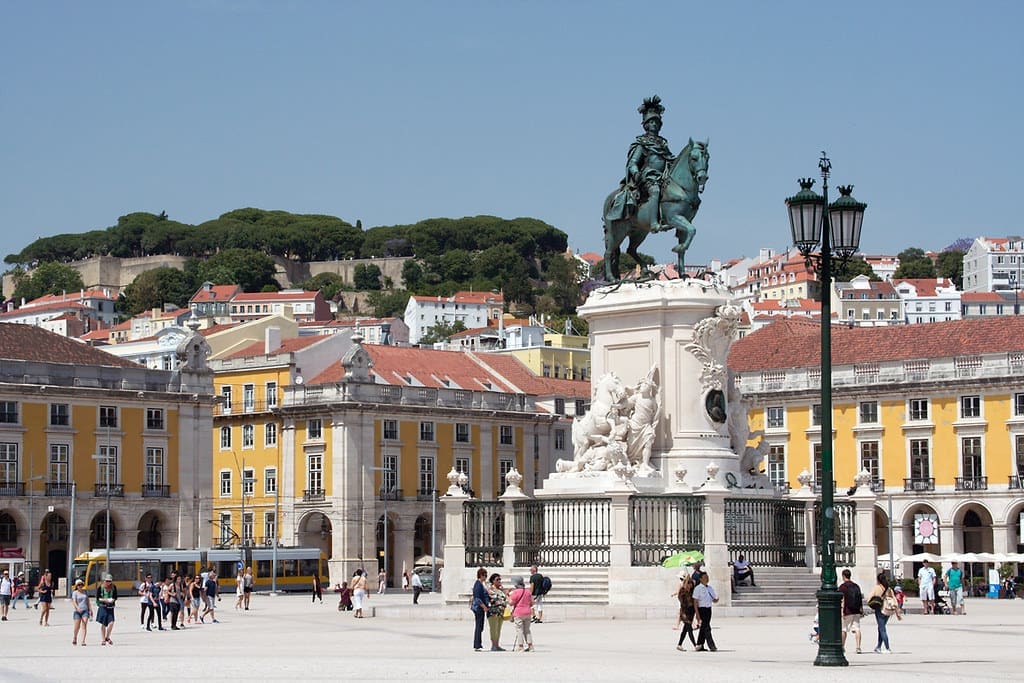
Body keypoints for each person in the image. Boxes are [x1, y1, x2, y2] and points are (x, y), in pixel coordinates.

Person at [868, 572, 899, 654]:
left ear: (878, 580)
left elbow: (869, 598)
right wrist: (897, 612)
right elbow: (894, 599)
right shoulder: (889, 589)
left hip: (880, 609)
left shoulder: (877, 588)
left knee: (882, 629)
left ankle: (887, 647)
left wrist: (871, 603)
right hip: (888, 610)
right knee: (881, 628)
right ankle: (878, 646)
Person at [838, 569, 864, 654]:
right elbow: (860, 598)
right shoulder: (856, 586)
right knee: (857, 628)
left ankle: (842, 646)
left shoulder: (842, 587)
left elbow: (843, 600)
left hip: (847, 610)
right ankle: (858, 647)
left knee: (844, 629)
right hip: (856, 610)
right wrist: (861, 609)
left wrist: (842, 611)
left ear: (843, 576)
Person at [692, 572, 719, 652]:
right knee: (707, 628)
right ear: (700, 579)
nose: (707, 579)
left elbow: (714, 598)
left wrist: (716, 600)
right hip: (702, 609)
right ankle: (711, 645)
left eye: (707, 577)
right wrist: (697, 614)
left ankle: (699, 644)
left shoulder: (710, 588)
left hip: (708, 609)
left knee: (704, 627)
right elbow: (695, 601)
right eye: (705, 577)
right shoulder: (698, 588)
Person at [508, 575, 534, 652]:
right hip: (527, 612)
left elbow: (511, 603)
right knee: (527, 630)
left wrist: (507, 595)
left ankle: (520, 646)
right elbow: (532, 603)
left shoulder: (515, 592)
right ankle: (530, 646)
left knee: (519, 630)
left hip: (518, 613)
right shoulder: (528, 591)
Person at [674, 572, 698, 651]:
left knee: (685, 630)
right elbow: (683, 601)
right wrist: (686, 579)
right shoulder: (682, 592)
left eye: (690, 584)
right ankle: (695, 645)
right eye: (688, 584)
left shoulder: (691, 592)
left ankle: (679, 644)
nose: (689, 586)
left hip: (691, 613)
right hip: (685, 613)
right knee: (689, 629)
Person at [486, 573, 508, 652]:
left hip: (501, 612)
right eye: (497, 579)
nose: (499, 581)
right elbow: (493, 599)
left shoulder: (501, 589)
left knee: (498, 629)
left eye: (500, 579)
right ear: (493, 581)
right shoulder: (490, 589)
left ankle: (497, 645)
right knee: (493, 629)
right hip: (493, 612)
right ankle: (493, 645)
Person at [471, 567, 490, 652]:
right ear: (481, 575)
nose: (486, 577)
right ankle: (477, 644)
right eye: (485, 575)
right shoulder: (478, 585)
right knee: (479, 626)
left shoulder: (481, 584)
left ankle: (478, 643)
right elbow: (477, 598)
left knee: (480, 626)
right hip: (479, 608)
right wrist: (484, 607)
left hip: (480, 608)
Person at [95, 573, 118, 645]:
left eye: (110, 581)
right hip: (103, 607)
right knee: (103, 624)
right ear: (104, 581)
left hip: (110, 607)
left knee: (111, 623)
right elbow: (98, 598)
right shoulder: (101, 588)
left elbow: (115, 597)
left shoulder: (113, 587)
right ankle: (103, 639)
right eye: (107, 581)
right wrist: (106, 600)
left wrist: (112, 600)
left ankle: (107, 637)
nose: (108, 583)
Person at [71, 578, 93, 646]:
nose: (80, 586)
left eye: (81, 585)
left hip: (85, 611)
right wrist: (77, 608)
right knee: (77, 627)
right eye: (78, 585)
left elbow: (88, 601)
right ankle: (75, 637)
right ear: (76, 586)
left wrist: (90, 609)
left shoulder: (85, 592)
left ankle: (83, 641)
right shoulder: (75, 593)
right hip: (77, 611)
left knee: (84, 625)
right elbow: (74, 601)